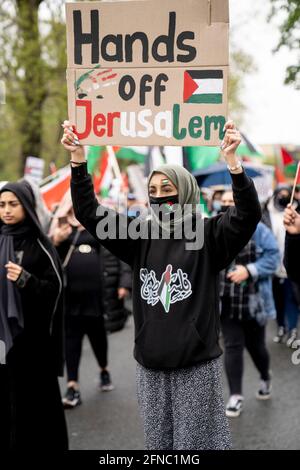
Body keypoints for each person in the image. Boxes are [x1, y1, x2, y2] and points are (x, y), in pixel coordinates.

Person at [61, 120, 262, 450]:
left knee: (195, 447)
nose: (158, 198)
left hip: (195, 364)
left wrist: (233, 164)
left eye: (167, 191)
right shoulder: (139, 235)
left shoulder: (210, 234)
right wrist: (78, 160)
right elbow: (89, 213)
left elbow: (247, 214)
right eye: (152, 192)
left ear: (184, 193)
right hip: (150, 364)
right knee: (159, 446)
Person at [0, 181, 68, 449]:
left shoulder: (39, 244)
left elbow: (57, 289)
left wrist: (26, 280)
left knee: (36, 403)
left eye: (13, 204)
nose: (6, 210)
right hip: (3, 341)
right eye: (2, 205)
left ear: (26, 206)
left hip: (33, 342)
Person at [50, 191, 131, 408]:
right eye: (71, 210)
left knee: (99, 341)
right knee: (71, 343)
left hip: (98, 301)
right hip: (71, 302)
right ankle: (72, 386)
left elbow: (122, 258)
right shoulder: (62, 234)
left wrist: (124, 283)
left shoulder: (102, 231)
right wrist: (56, 241)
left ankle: (104, 369)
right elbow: (49, 264)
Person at [219, 190, 279, 417]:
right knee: (232, 347)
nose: (226, 206)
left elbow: (273, 257)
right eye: (222, 202)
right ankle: (236, 395)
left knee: (257, 348)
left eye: (230, 201)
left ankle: (265, 376)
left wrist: (249, 270)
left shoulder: (259, 229)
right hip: (227, 301)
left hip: (255, 301)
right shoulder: (216, 228)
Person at [262, 185, 300, 346]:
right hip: (274, 267)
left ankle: (292, 329)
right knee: (278, 301)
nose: (283, 197)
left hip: (289, 269)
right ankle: (281, 327)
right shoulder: (267, 214)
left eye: (287, 194)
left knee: (291, 299)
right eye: (281, 194)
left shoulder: (296, 214)